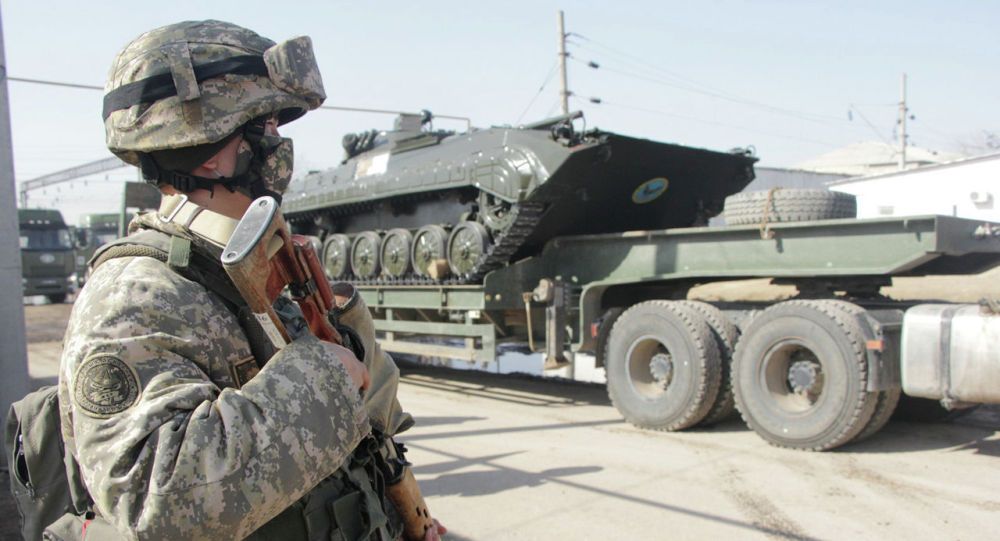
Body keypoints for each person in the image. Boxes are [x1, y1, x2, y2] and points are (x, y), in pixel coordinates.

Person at [54, 19, 445, 540]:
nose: (280, 145)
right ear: (208, 145)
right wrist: (323, 379)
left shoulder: (243, 266)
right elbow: (154, 500)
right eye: (266, 127)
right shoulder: (135, 296)